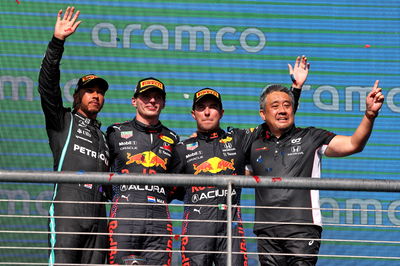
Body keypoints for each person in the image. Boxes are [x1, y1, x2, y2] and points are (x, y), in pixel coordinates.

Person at [170, 56, 309, 266]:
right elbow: (172, 190)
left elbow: (274, 122)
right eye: (201, 107)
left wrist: (296, 90)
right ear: (193, 114)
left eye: (213, 106)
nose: (207, 112)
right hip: (196, 228)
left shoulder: (237, 139)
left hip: (231, 228)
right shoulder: (181, 148)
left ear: (222, 112)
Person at [248, 80, 384, 265]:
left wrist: (370, 114)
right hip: (266, 228)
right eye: (275, 106)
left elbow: (353, 144)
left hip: (302, 226)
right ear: (263, 114)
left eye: (287, 105)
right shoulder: (253, 144)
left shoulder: (311, 137)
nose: (282, 110)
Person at [38, 7, 109, 265]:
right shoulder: (63, 121)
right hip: (69, 203)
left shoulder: (104, 136)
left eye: (100, 92)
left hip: (99, 208)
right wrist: (58, 42)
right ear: (77, 96)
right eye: (89, 90)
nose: (96, 95)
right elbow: (47, 85)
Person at [106, 77, 180, 265]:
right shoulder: (115, 132)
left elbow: (176, 183)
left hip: (160, 217)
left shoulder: (172, 138)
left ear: (163, 103)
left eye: (157, 97)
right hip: (124, 213)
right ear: (134, 101)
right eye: (146, 96)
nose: (152, 101)